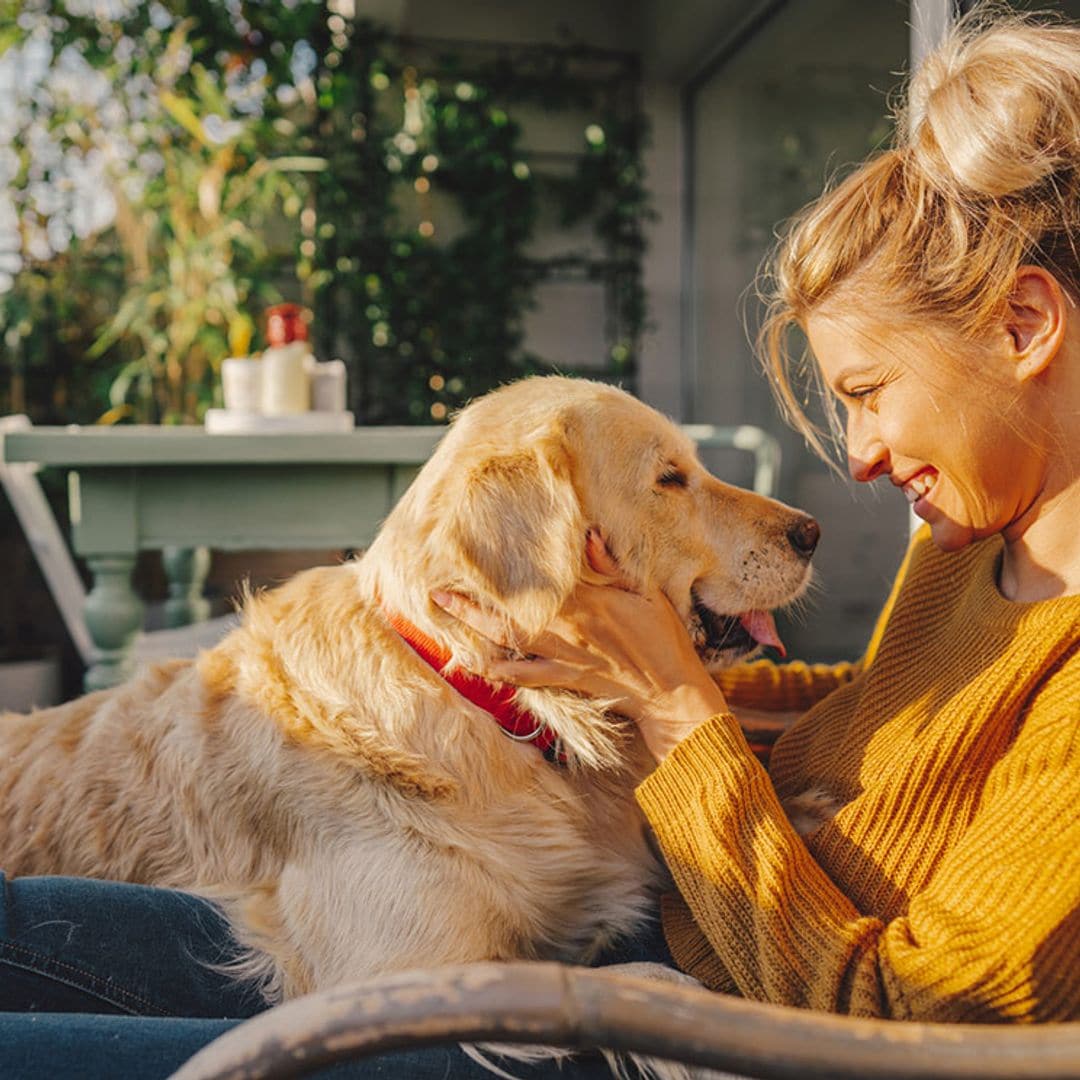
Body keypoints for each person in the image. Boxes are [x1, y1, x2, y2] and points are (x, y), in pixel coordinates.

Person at [2, 8, 1078, 1078]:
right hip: (672, 926)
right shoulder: (976, 544)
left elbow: (899, 1020)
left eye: (868, 393)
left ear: (1027, 325)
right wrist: (620, 674)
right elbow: (891, 709)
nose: (857, 459)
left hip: (680, 1029)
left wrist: (672, 707)